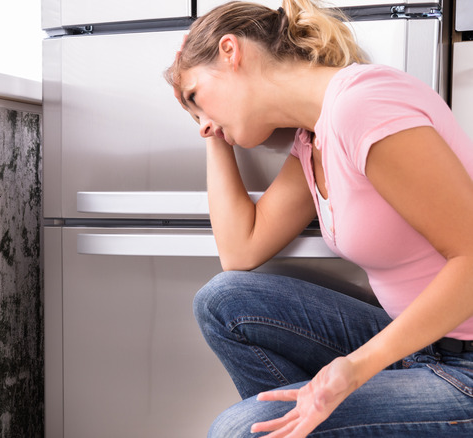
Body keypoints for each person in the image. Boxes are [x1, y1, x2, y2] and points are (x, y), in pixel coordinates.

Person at [165, 0, 473, 436]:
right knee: (224, 300)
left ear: (230, 52)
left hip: (466, 365)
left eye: (194, 97)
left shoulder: (363, 105)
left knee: (239, 432)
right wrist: (215, 132)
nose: (200, 123)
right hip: (420, 345)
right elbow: (240, 250)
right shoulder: (314, 138)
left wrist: (355, 369)